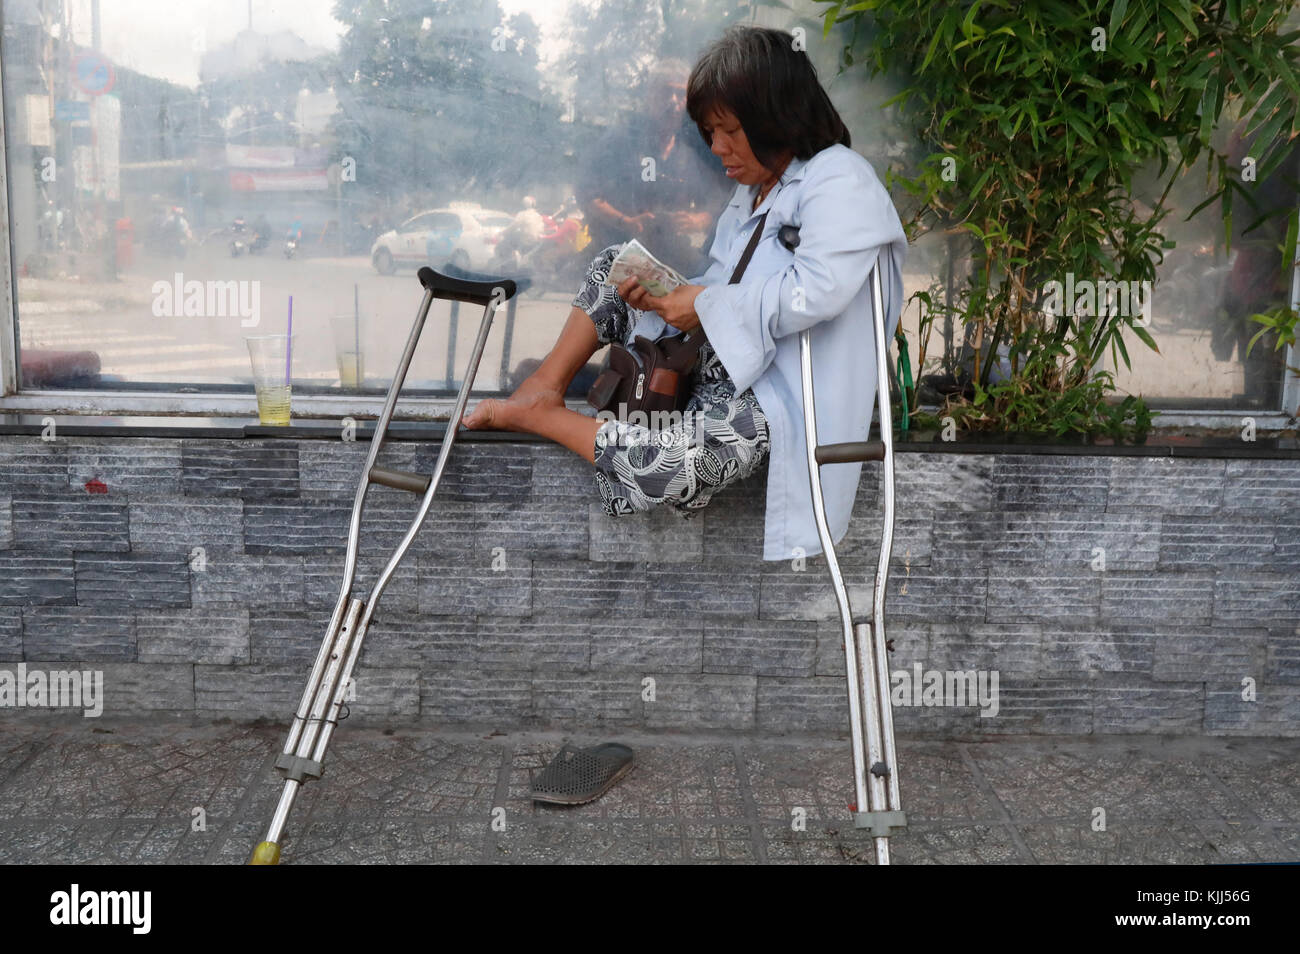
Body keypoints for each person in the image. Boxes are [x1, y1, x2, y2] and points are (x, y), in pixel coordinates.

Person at [462, 25, 907, 562]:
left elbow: (817, 291)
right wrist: (668, 299)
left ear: (775, 116)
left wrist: (699, 303)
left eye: (730, 130)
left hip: (777, 392)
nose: (717, 148)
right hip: (726, 355)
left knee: (670, 468)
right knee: (616, 269)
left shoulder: (840, 178)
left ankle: (538, 415)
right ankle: (543, 386)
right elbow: (723, 282)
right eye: (709, 131)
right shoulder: (755, 189)